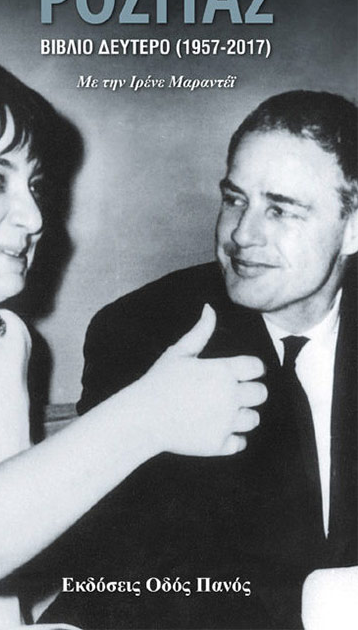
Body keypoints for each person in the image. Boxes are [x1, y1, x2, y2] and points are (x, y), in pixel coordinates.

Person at [0, 25, 267, 630]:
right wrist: (146, 415)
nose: (33, 216)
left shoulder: (5, 338)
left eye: (34, 185)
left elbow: (5, 556)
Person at [43, 91, 357, 629]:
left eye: (280, 209)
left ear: (352, 229)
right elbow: (132, 574)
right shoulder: (145, 333)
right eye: (235, 200)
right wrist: (327, 603)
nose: (241, 234)